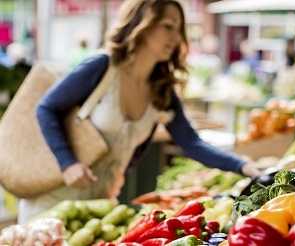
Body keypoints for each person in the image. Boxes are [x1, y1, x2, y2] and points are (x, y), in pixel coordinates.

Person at [19, 0, 260, 223]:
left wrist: (243, 166)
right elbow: (46, 108)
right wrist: (67, 163)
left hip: (100, 207)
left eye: (179, 29)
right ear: (142, 23)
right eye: (168, 26)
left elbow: (192, 143)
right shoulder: (102, 67)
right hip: (52, 198)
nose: (176, 38)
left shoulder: (162, 90)